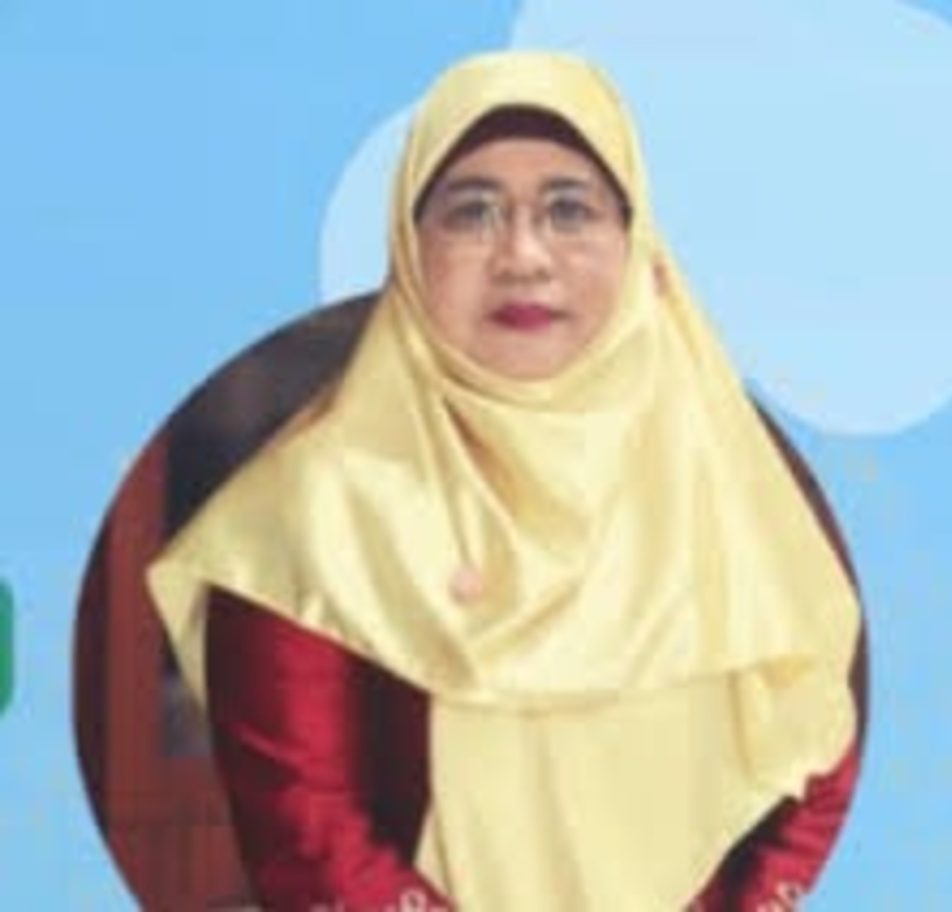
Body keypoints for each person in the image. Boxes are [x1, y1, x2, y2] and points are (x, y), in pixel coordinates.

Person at [148, 50, 866, 911]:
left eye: (569, 210)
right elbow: (306, 829)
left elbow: (822, 753)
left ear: (636, 242)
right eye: (472, 212)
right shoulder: (308, 511)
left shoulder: (729, 477)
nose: (524, 256)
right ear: (408, 249)